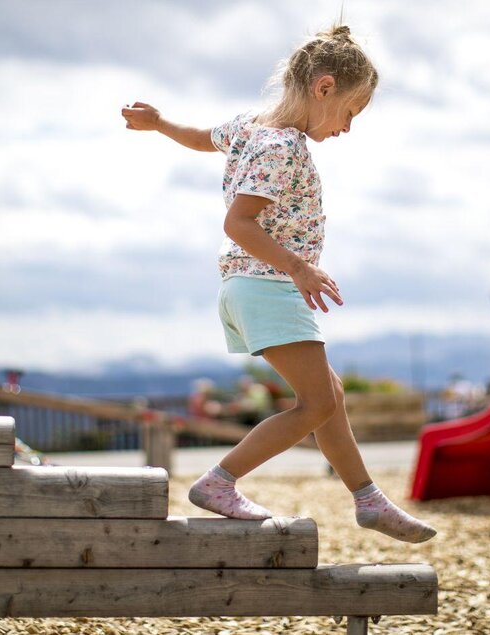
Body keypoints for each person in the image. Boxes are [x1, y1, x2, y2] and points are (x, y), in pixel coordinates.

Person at [121, 24, 435, 543]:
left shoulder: (250, 127)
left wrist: (159, 124)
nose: (348, 128)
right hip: (266, 283)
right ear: (325, 87)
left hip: (249, 286)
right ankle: (220, 483)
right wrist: (299, 267)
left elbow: (204, 140)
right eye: (351, 113)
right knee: (316, 405)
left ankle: (368, 500)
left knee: (327, 394)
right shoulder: (281, 146)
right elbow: (238, 224)